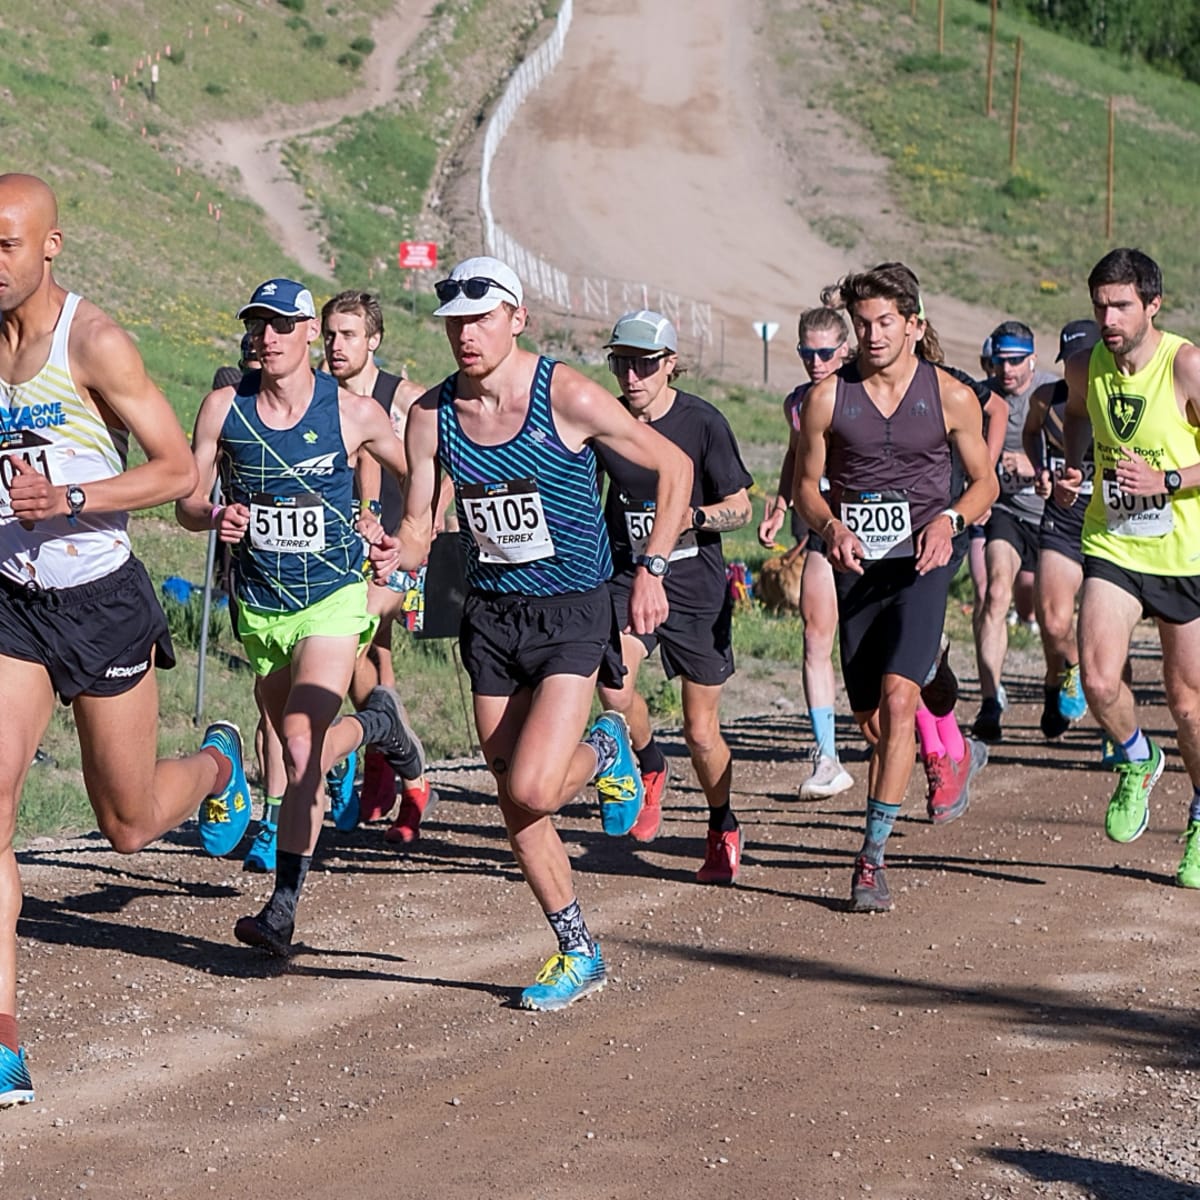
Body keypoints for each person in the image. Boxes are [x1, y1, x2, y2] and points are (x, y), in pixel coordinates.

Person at [370, 256, 692, 1008]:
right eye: (455, 322)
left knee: (535, 784)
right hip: (489, 615)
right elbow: (420, 523)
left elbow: (672, 469)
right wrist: (397, 555)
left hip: (574, 609)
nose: (466, 335)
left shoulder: (566, 395)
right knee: (517, 804)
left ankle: (609, 744)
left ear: (517, 319)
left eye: (482, 318)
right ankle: (577, 949)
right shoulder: (432, 415)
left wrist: (652, 570)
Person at [0, 173, 253, 1107]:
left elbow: (178, 469)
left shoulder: (93, 341)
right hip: (12, 605)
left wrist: (70, 498)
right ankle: (4, 1042)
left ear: (50, 247)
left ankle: (222, 762)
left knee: (131, 825)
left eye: (8, 246)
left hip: (102, 601)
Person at [177, 277, 421, 958]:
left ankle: (281, 909)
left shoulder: (353, 412)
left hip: (333, 598)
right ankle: (377, 722)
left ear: (311, 332)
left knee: (301, 739)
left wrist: (399, 533)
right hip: (259, 606)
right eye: (259, 325)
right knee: (291, 750)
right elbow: (187, 502)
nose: (269, 337)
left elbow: (421, 472)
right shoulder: (226, 407)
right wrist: (215, 514)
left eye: (283, 324)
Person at [793, 262, 998, 913]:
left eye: (886, 322)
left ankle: (870, 859)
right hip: (859, 566)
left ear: (914, 325)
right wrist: (829, 525)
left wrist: (951, 517)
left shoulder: (949, 395)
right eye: (863, 323)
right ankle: (943, 696)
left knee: (897, 700)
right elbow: (805, 485)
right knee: (875, 721)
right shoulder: (829, 398)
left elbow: (984, 482)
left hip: (923, 561)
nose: (874, 334)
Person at [594, 310, 753, 882]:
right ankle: (649, 765)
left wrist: (691, 516)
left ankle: (721, 822)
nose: (631, 376)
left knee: (701, 730)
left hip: (694, 582)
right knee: (613, 681)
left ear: (669, 364)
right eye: (621, 363)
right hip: (627, 573)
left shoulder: (702, 423)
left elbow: (741, 505)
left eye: (642, 364)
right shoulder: (606, 421)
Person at [1059, 248, 1200, 888]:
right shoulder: (1088, 365)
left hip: (1185, 553)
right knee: (1096, 678)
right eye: (1099, 306)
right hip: (1114, 542)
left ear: (1152, 305)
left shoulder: (1187, 366)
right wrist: (1073, 469)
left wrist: (1168, 477)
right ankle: (1138, 759)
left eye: (1120, 305)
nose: (1108, 317)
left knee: (1189, 705)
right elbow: (1077, 418)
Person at [320, 289, 438, 844]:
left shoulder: (408, 399)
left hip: (398, 553)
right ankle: (394, 768)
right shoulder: (315, 394)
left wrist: (428, 528)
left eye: (348, 335)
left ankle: (388, 767)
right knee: (374, 669)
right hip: (338, 554)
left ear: (374, 340)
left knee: (347, 647)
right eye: (330, 334)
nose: (336, 346)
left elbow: (441, 467)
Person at [758, 302, 855, 800]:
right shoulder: (798, 402)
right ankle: (827, 757)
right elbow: (796, 455)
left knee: (888, 655)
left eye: (824, 353)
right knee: (816, 637)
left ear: (844, 350)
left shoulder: (864, 393)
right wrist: (779, 504)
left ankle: (936, 739)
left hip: (876, 534)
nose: (815, 362)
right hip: (821, 529)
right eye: (806, 352)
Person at [971, 320, 1059, 743]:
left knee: (1050, 610)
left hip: (1051, 516)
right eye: (1000, 361)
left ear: (1033, 359)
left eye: (1016, 362)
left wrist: (1033, 465)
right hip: (1004, 511)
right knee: (995, 593)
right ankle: (990, 701)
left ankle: (1053, 685)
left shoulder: (1054, 393)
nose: (1006, 370)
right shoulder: (981, 395)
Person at [1022, 319, 1101, 738]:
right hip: (1062, 518)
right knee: (1053, 622)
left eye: (1083, 360)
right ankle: (1067, 671)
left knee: (1106, 631)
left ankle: (1112, 729)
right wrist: (1039, 469)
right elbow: (1031, 433)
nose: (1076, 369)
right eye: (1070, 361)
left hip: (1110, 525)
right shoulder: (1045, 399)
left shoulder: (1121, 400)